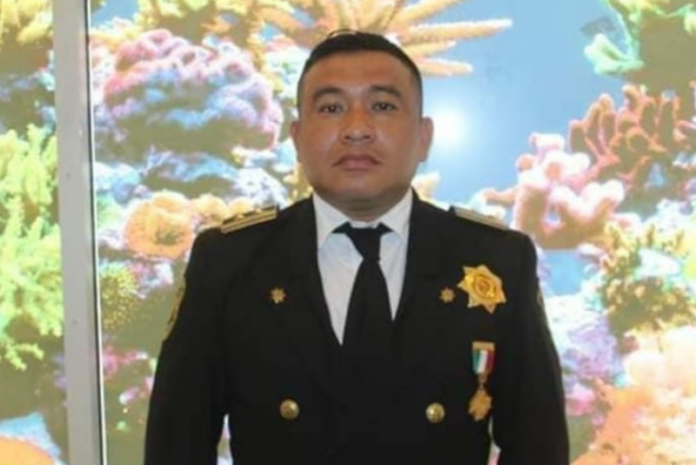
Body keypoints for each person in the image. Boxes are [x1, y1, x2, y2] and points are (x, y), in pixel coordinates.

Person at [144, 30, 569, 465]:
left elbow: (539, 447)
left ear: (424, 137)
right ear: (297, 138)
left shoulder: (497, 260)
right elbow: (176, 445)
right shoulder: (229, 262)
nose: (357, 129)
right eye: (331, 108)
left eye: (383, 106)